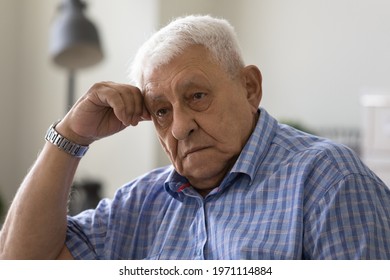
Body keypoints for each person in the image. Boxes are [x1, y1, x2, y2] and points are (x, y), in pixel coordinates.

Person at [1, 15, 390, 260]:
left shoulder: (328, 181)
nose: (179, 127)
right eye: (161, 110)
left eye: (197, 97)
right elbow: (21, 264)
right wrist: (70, 135)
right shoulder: (140, 202)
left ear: (250, 88)